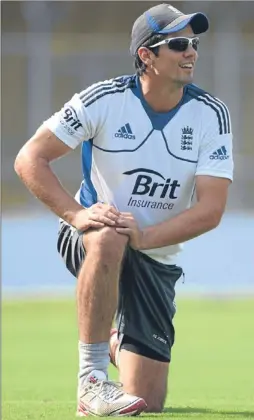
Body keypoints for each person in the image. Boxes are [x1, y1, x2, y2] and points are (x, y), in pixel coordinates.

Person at [14, 2, 234, 417]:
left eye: (194, 44)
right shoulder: (103, 99)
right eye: (179, 44)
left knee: (147, 403)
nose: (192, 53)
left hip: (156, 252)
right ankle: (92, 379)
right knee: (108, 232)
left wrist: (146, 237)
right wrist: (76, 216)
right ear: (146, 56)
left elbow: (211, 209)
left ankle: (116, 340)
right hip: (90, 234)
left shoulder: (211, 114)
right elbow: (29, 158)